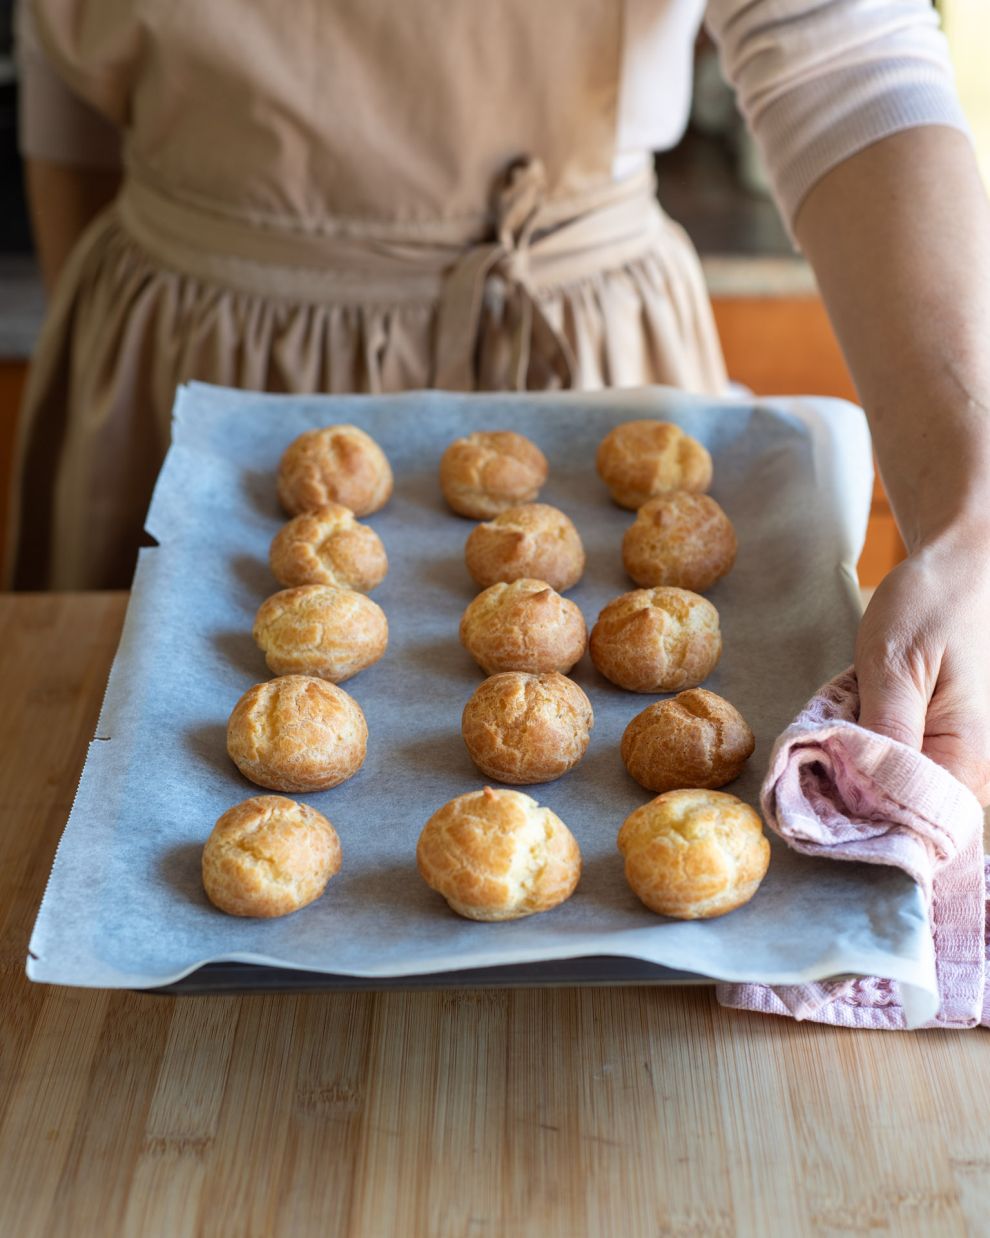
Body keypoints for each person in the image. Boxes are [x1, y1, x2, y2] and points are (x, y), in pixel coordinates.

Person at [7, 0, 990, 805]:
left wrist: (970, 512)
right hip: (178, 345)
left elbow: (844, 55)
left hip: (578, 342)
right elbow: (62, 67)